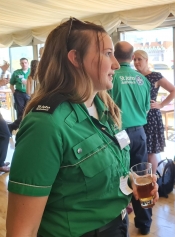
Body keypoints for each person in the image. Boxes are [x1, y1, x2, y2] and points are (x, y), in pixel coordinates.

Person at [6, 18, 159, 237]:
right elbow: (22, 231)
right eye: (107, 53)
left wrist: (131, 182)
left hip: (118, 226)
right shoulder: (45, 125)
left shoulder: (106, 108)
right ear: (76, 58)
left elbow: (99, 172)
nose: (116, 64)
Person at [110, 41, 153, 236]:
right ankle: (144, 222)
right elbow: (146, 108)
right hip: (139, 133)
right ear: (131, 56)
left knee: (118, 176)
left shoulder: (111, 78)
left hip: (119, 134)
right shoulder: (142, 80)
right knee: (141, 178)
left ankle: (120, 216)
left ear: (114, 55)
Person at [133, 50, 175, 174]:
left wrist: (161, 105)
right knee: (139, 150)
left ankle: (152, 181)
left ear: (146, 60)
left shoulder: (155, 76)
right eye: (134, 59)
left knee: (150, 151)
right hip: (137, 115)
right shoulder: (133, 76)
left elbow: (174, 91)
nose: (136, 62)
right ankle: (140, 180)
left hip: (151, 117)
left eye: (139, 59)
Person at [8, 57, 30, 133]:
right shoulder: (16, 73)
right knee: (20, 111)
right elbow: (11, 84)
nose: (24, 64)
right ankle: (21, 128)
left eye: (25, 62)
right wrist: (14, 92)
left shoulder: (32, 72)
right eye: (22, 63)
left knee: (28, 110)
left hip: (29, 94)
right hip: (19, 94)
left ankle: (15, 126)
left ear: (28, 63)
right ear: (20, 64)